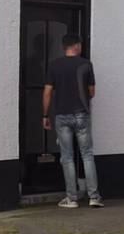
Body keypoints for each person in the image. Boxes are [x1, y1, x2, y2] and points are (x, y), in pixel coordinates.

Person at [43, 34, 103, 208]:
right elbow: (92, 92)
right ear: (76, 46)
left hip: (62, 115)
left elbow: (47, 92)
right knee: (87, 154)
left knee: (67, 157)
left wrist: (45, 115)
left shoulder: (54, 66)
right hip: (81, 114)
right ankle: (94, 197)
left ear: (64, 47)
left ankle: (72, 198)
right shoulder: (86, 64)